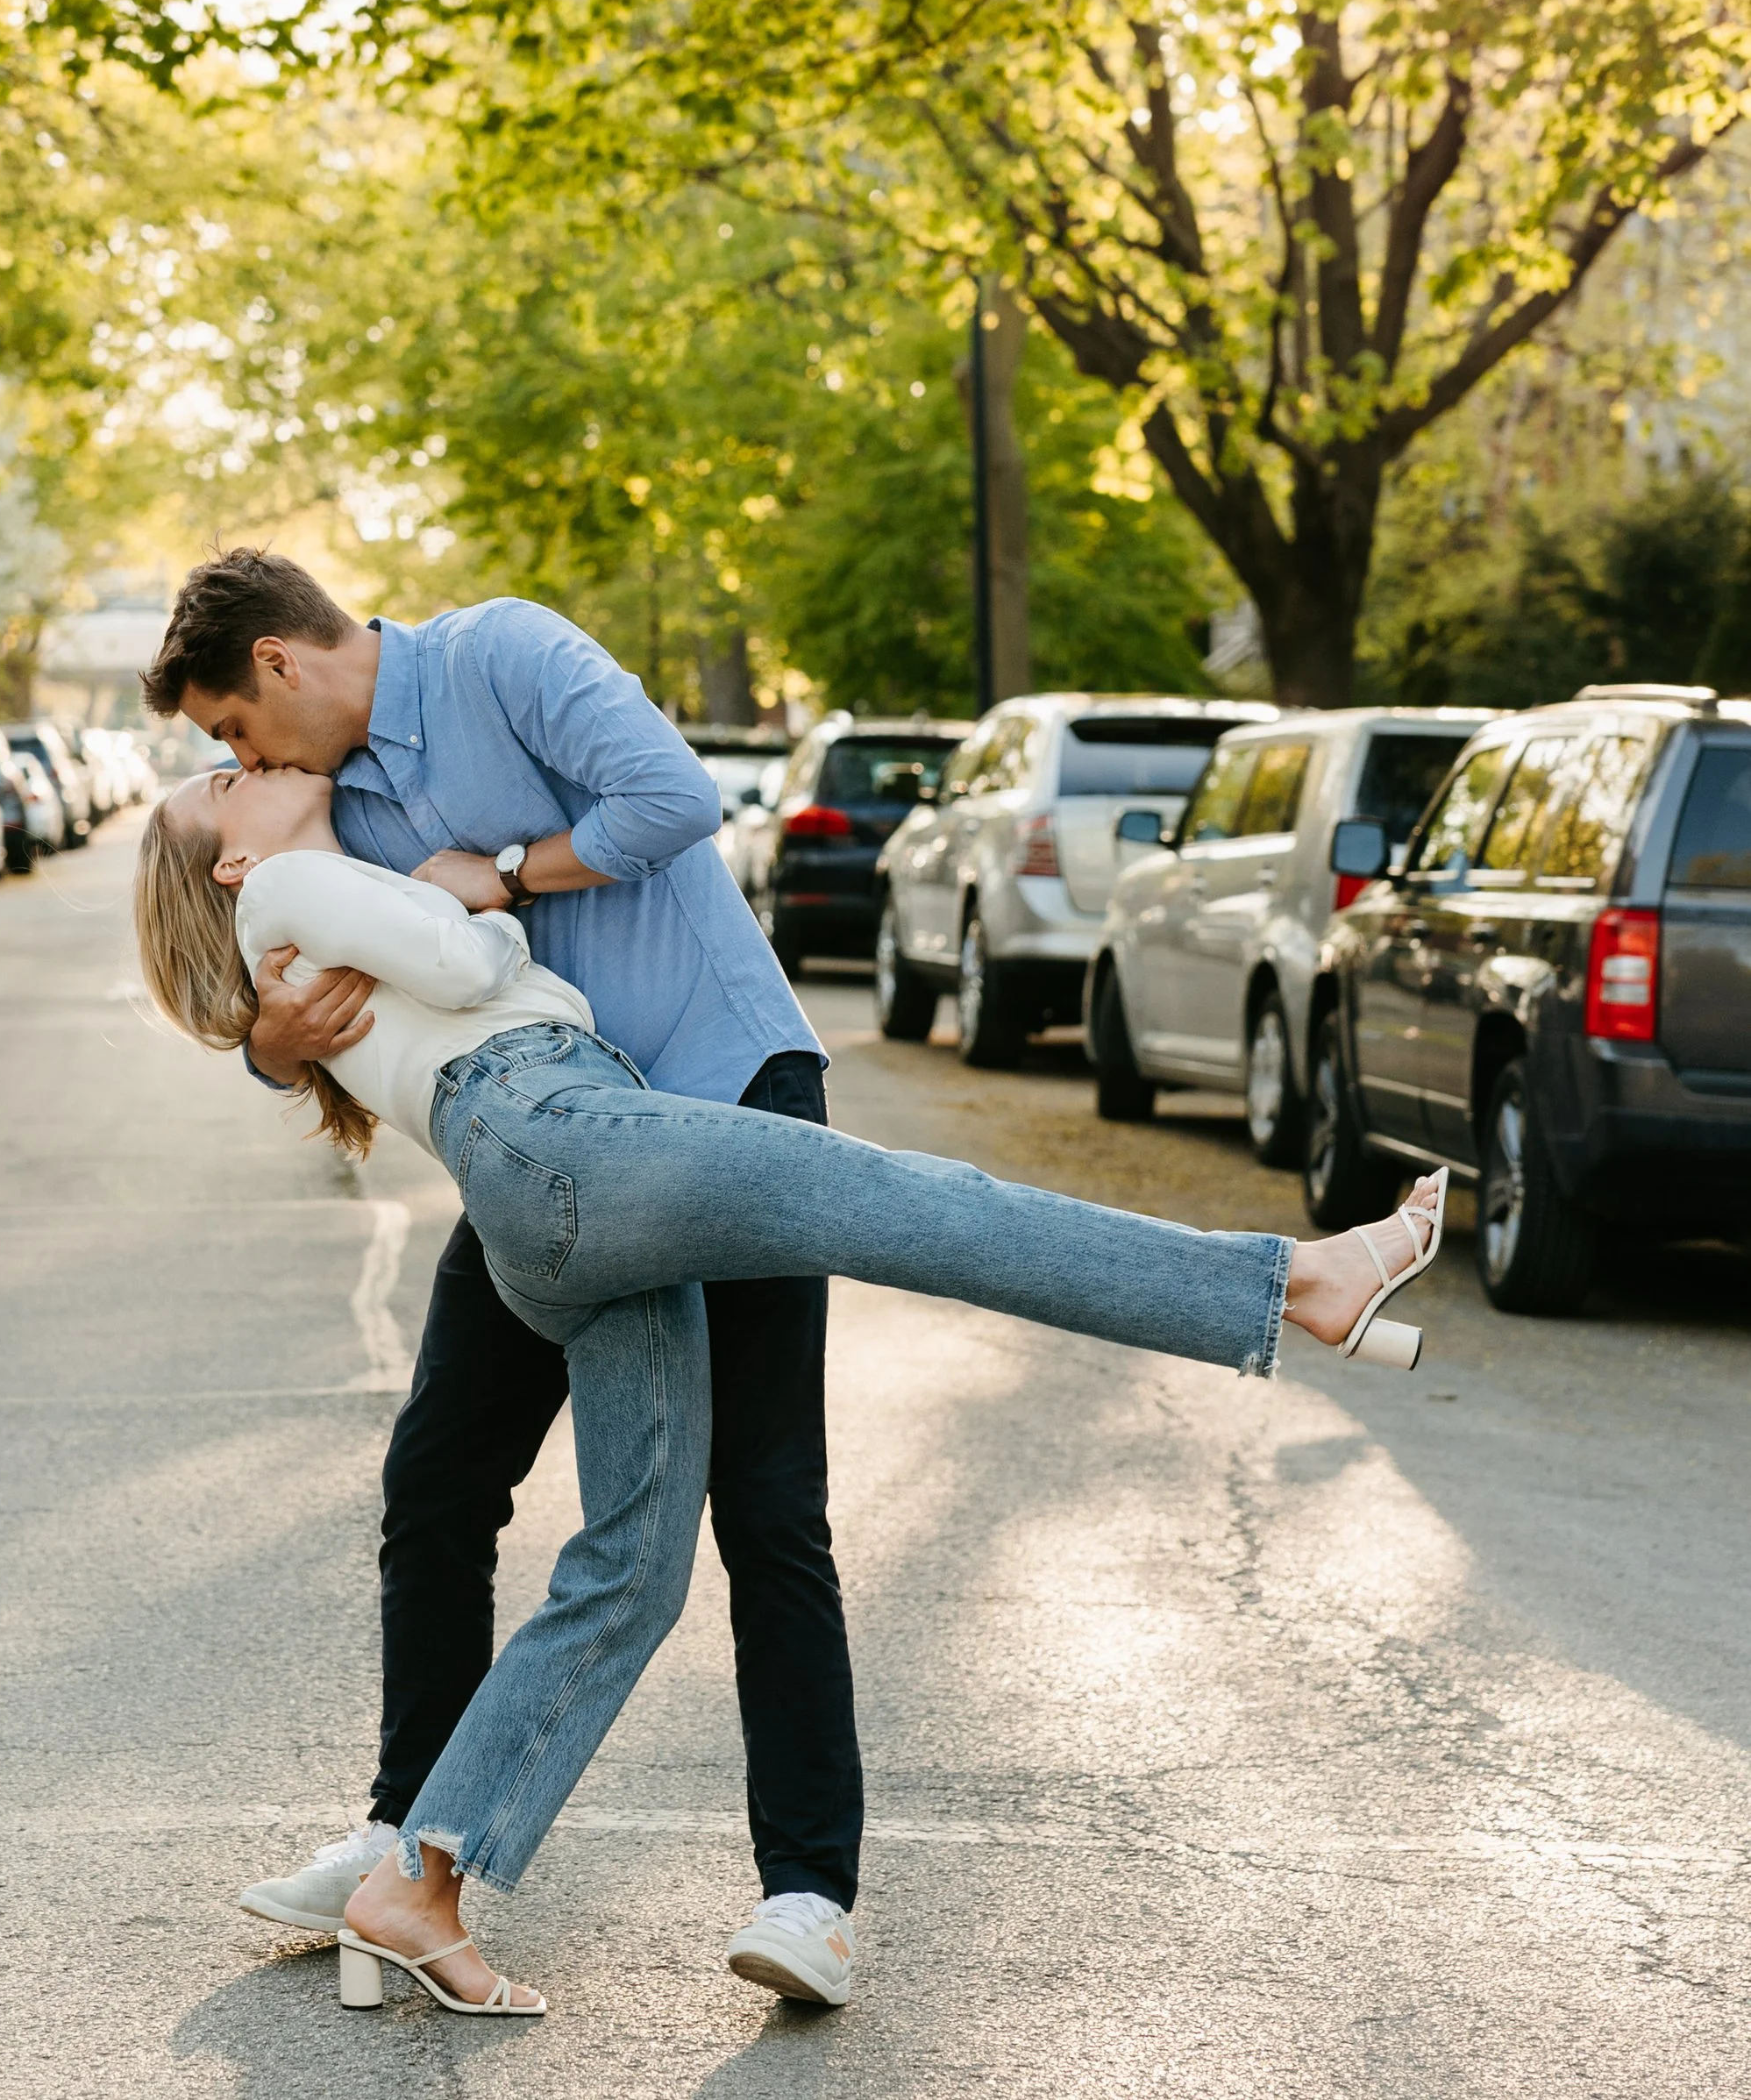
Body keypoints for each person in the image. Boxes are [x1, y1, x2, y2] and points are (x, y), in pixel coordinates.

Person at [133, 752, 1449, 2019]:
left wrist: (331, 989)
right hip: (559, 1128)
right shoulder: (294, 891)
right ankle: (1290, 1286)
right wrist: (463, 887)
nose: (238, 760)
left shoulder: (298, 908)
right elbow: (470, 957)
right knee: (918, 1203)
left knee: (630, 1571)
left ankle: (421, 1879)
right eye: (223, 779)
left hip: (538, 1192)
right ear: (234, 858)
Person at [140, 550, 868, 2008]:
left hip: (726, 1093)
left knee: (767, 1496)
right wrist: (271, 1039)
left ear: (280, 664)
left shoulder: (503, 655)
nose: (242, 759)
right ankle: (404, 1834)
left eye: (232, 729)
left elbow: (672, 801)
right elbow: (284, 941)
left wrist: (510, 868)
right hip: (556, 1149)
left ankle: (809, 1897)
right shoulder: (331, 795)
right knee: (441, 1472)